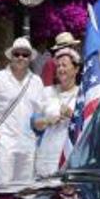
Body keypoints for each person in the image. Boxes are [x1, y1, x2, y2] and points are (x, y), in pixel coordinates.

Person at [0, 37, 45, 185]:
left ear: (30, 58)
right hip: (4, 144)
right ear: (11, 56)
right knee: (3, 190)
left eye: (25, 54)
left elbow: (40, 113)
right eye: (17, 54)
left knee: (25, 191)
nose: (21, 57)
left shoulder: (36, 81)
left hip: (28, 144)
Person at [34, 48, 81, 178]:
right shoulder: (46, 92)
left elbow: (88, 124)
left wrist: (71, 115)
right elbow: (34, 123)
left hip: (71, 156)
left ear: (76, 69)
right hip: (47, 156)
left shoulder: (82, 94)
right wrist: (48, 121)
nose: (60, 69)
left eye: (64, 65)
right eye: (58, 66)